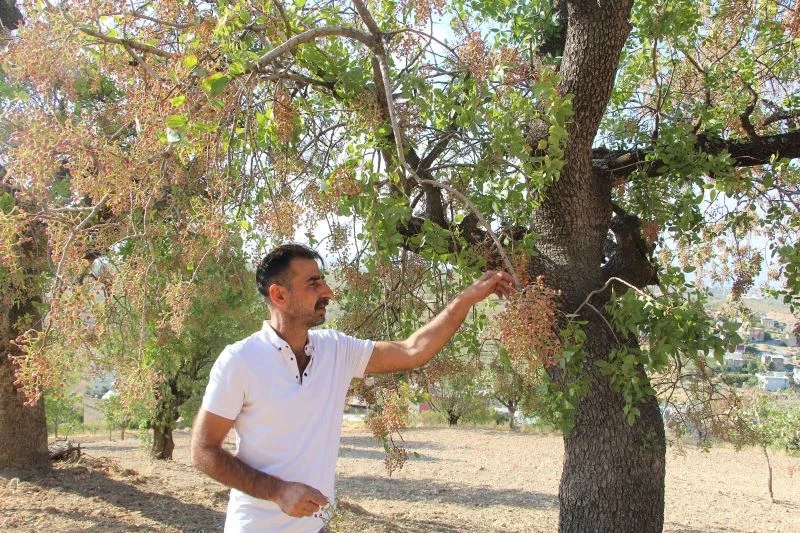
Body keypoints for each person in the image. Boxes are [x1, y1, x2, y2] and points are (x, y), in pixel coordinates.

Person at [190, 243, 515, 532]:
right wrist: (278, 491)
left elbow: (412, 351)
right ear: (279, 295)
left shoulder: (335, 350)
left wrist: (467, 298)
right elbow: (203, 450)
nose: (328, 291)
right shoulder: (240, 360)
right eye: (314, 283)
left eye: (323, 281)